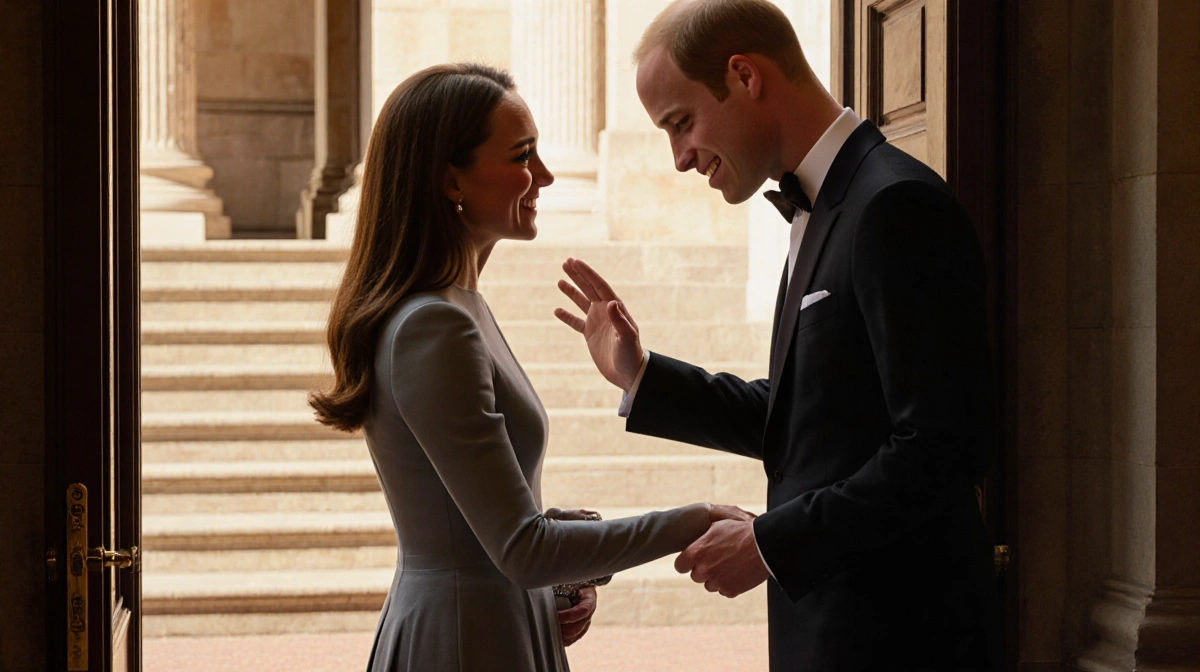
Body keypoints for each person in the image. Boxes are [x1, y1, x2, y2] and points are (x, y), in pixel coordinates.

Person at [554, 1, 1002, 669]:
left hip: (897, 641)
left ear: (744, 75)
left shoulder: (894, 206)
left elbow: (942, 448)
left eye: (681, 123)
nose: (678, 158)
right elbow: (811, 418)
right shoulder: (824, 206)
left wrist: (772, 544)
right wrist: (641, 376)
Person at [309, 62, 747, 672]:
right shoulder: (435, 324)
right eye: (523, 155)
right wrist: (695, 520)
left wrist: (569, 560)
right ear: (451, 180)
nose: (544, 175)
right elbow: (521, 550)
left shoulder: (458, 308)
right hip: (465, 639)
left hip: (492, 622)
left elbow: (499, 529)